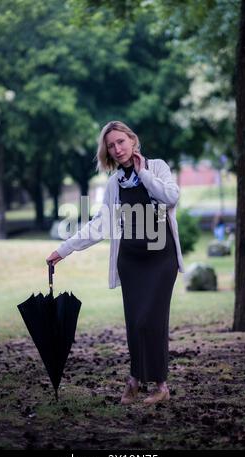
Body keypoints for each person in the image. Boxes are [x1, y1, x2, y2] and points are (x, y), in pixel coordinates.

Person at [46, 121, 184, 405]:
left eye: (121, 141)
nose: (117, 149)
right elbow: (100, 225)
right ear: (107, 152)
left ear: (133, 141)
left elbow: (171, 197)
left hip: (161, 259)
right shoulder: (114, 183)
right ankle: (134, 382)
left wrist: (143, 174)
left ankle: (160, 386)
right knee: (135, 322)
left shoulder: (157, 167)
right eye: (111, 145)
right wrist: (64, 249)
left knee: (152, 320)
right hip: (131, 262)